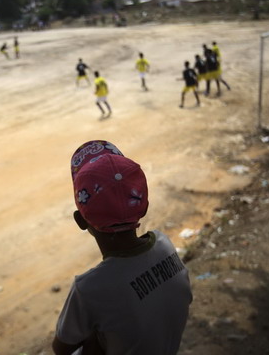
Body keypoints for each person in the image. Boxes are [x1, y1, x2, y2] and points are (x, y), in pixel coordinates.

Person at [53, 140, 192, 355]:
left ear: (80, 220)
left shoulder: (89, 288)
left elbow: (61, 348)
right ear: (143, 207)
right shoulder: (165, 245)